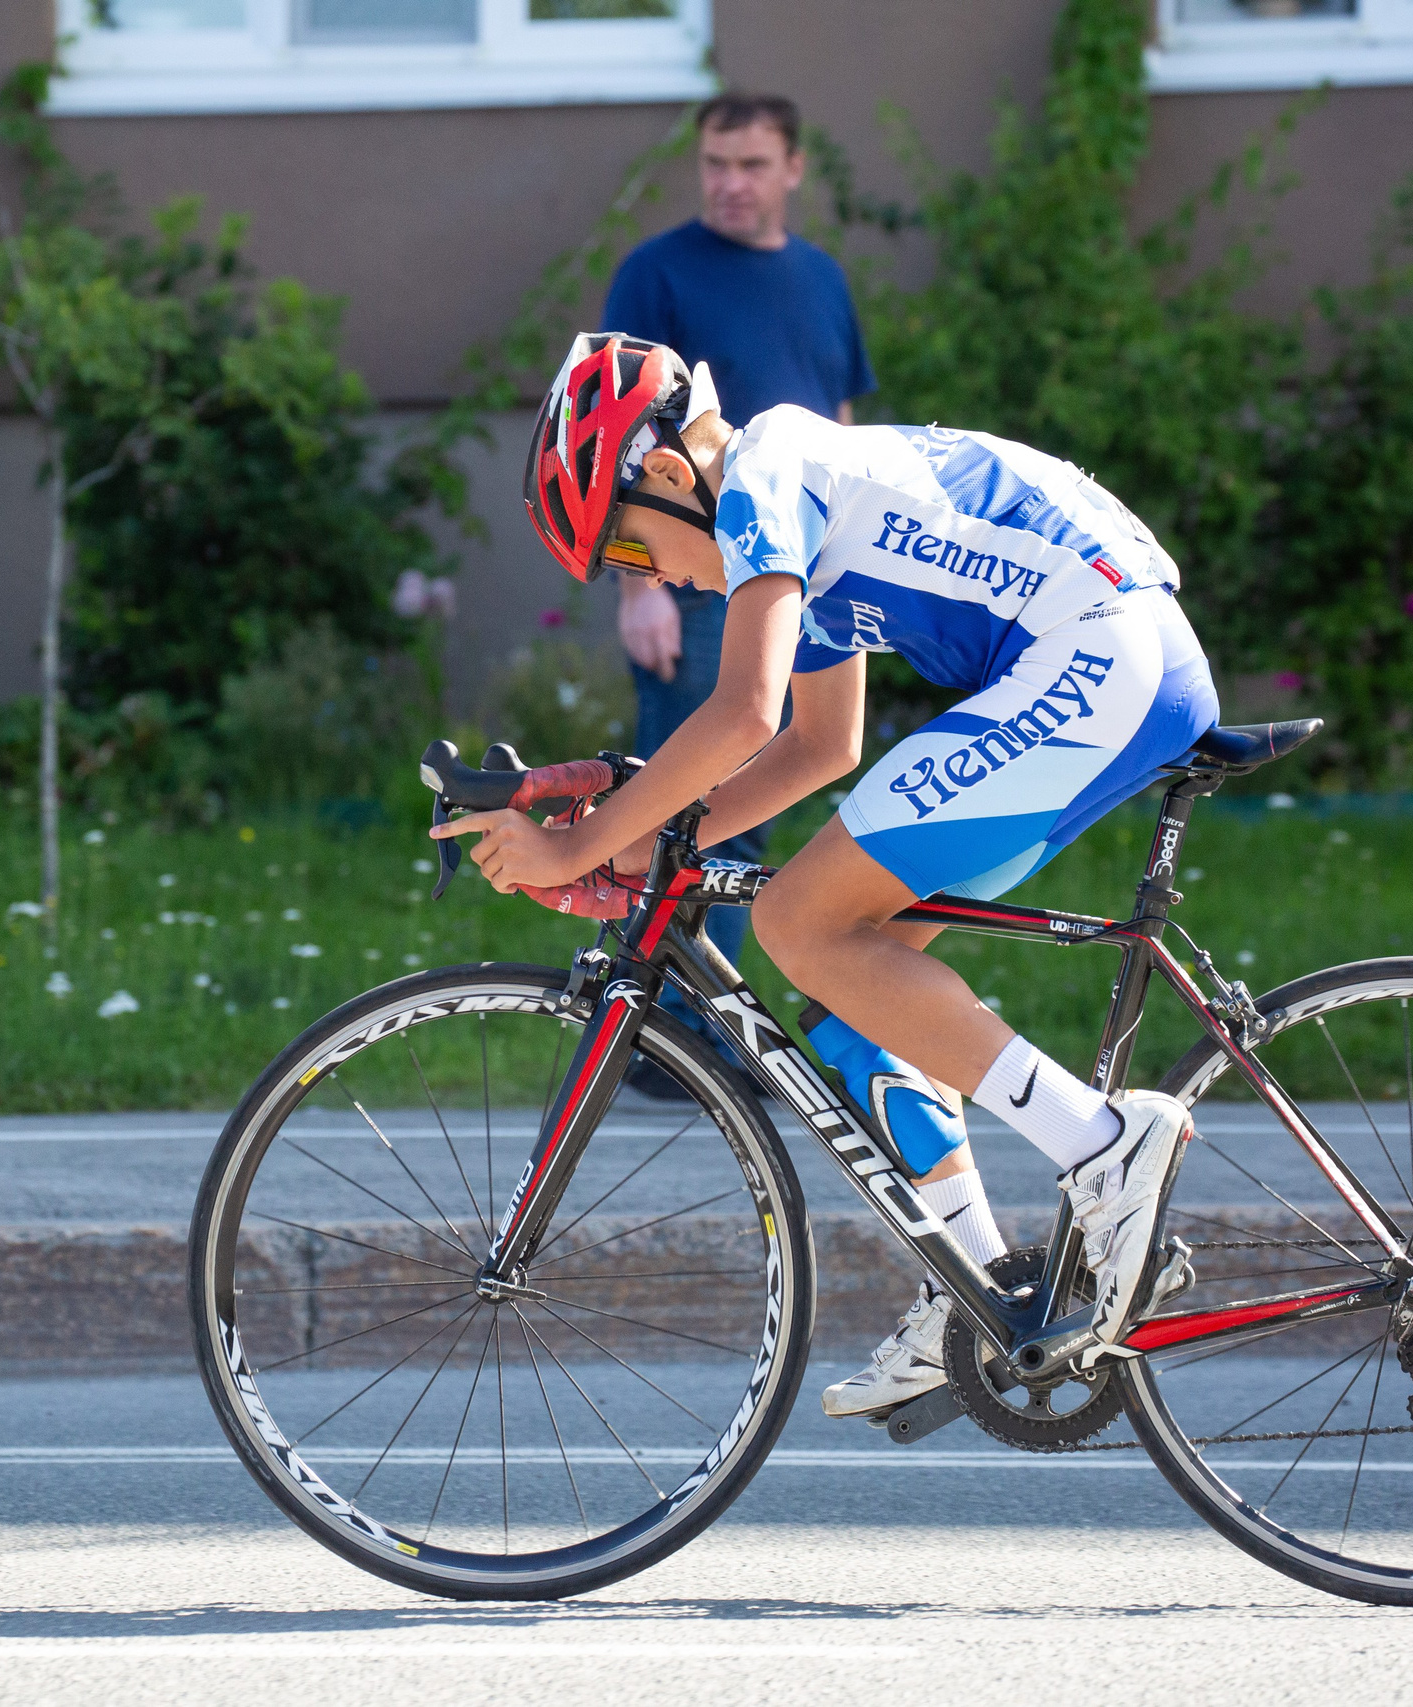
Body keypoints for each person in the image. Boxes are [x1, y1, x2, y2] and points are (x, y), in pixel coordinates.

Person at [443, 333, 1215, 1419]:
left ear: (665, 471)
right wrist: (640, 840)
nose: (648, 577)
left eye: (626, 547)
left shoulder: (764, 475)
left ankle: (1105, 1145)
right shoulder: (798, 506)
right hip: (1106, 658)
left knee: (797, 922)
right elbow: (816, 744)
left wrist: (578, 847)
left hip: (1100, 652)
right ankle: (980, 1293)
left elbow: (741, 713)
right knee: (857, 991)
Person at [599, 93, 874, 1096]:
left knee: (755, 808)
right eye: (715, 162)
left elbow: (840, 421)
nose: (730, 182)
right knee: (682, 798)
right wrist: (637, 587)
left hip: (802, 571)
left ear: (792, 169)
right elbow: (624, 452)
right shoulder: (659, 271)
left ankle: (711, 1028)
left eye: (751, 164)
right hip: (694, 572)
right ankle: (662, 1036)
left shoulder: (820, 279)